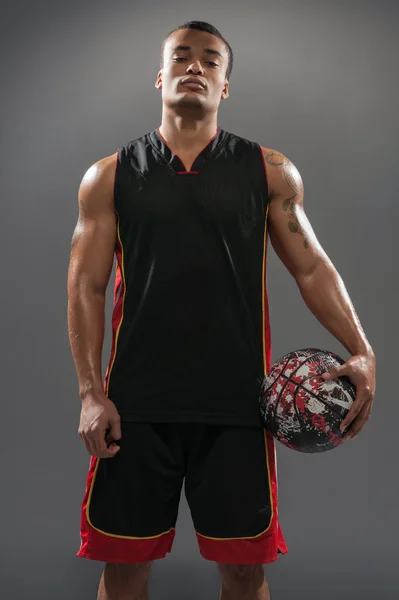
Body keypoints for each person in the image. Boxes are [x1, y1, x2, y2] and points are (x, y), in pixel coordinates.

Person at [67, 20, 376, 600]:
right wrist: (90, 393)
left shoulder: (267, 171)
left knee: (243, 572)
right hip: (135, 409)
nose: (194, 67)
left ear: (225, 86)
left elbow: (312, 268)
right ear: (160, 77)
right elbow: (85, 287)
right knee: (123, 569)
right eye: (181, 57)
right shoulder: (108, 177)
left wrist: (363, 350)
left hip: (238, 407)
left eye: (211, 61)